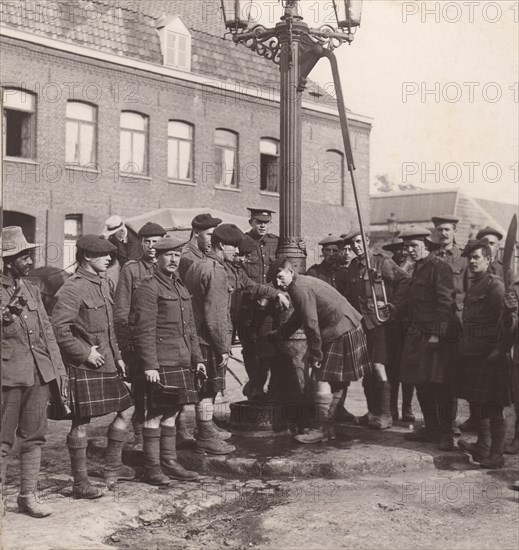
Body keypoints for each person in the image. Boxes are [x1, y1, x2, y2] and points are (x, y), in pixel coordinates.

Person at [185, 224, 289, 454]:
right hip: (209, 340)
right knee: (208, 391)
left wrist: (275, 293)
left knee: (205, 390)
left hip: (197, 338)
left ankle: (205, 431)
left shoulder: (199, 265)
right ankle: (205, 436)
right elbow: (216, 315)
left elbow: (249, 285)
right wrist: (222, 347)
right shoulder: (217, 272)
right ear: (222, 245)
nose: (238, 253)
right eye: (235, 248)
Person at [52, 235, 135, 499]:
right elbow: (57, 330)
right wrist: (85, 353)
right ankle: (80, 483)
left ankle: (112, 467)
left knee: (127, 409)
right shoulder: (72, 288)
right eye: (103, 254)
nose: (110, 258)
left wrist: (118, 356)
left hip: (107, 362)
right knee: (81, 422)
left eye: (110, 253)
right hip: (84, 365)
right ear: (87, 256)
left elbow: (109, 328)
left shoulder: (103, 282)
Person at [267, 256, 371, 444]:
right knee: (336, 381)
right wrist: (278, 334)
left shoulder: (299, 289)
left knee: (320, 377)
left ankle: (320, 429)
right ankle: (327, 428)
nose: (277, 281)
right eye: (273, 279)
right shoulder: (299, 285)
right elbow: (299, 317)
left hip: (341, 329)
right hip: (349, 326)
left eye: (280, 276)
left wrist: (316, 354)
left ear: (290, 271)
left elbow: (311, 323)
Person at [1, 227, 67, 518]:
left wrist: (58, 371)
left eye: (29, 255)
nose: (29, 262)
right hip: (7, 375)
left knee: (35, 437)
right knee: (2, 440)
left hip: (38, 374)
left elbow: (47, 332)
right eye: (23, 257)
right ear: (7, 259)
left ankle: (27, 496)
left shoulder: (30, 288)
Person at [132, 236, 203, 485]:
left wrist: (198, 358)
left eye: (177, 255)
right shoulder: (148, 287)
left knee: (172, 412)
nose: (174, 259)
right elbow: (144, 330)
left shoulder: (180, 287)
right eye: (168, 255)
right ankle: (152, 468)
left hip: (181, 359)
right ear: (157, 257)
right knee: (154, 414)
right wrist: (150, 365)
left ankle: (170, 462)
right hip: (161, 363)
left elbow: (191, 328)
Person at [399, 227, 458, 451]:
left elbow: (446, 303)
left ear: (426, 245)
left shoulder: (439, 267)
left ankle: (446, 434)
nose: (409, 250)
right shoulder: (418, 269)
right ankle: (431, 429)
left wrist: (437, 333)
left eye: (413, 246)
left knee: (441, 386)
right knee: (421, 384)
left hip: (436, 338)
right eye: (406, 247)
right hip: (417, 336)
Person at [343, 230, 409, 429]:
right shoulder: (353, 266)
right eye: (352, 243)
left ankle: (386, 415)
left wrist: (393, 305)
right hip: (362, 325)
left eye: (358, 242)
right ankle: (372, 413)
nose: (356, 246)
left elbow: (405, 280)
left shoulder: (382, 262)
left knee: (379, 368)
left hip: (380, 324)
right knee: (368, 371)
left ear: (367, 241)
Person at [456, 240, 511, 468]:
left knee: (493, 406)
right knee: (477, 402)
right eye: (470, 257)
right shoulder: (475, 283)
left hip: (491, 356)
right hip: (474, 353)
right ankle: (482, 448)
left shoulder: (494, 285)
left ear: (488, 260)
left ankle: (496, 455)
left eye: (477, 257)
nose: (472, 261)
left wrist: (500, 348)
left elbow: (508, 321)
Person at [113, 222, 167, 449]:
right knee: (138, 392)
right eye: (147, 242)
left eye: (156, 242)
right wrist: (125, 345)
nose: (152, 247)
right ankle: (139, 438)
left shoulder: (170, 267)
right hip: (137, 340)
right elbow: (121, 311)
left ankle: (163, 437)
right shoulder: (131, 269)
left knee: (163, 390)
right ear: (142, 244)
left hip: (163, 341)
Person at [307, 235, 355, 423]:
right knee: (321, 370)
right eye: (328, 251)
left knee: (342, 371)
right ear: (323, 252)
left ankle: (338, 408)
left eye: (336, 251)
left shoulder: (345, 273)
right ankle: (320, 410)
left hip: (342, 326)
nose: (332, 254)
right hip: (322, 326)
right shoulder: (314, 272)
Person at [237, 207, 281, 401]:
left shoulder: (275, 242)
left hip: (269, 308)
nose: (262, 225)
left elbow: (283, 266)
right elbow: (239, 273)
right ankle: (255, 384)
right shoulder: (242, 242)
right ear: (251, 222)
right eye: (258, 221)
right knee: (249, 349)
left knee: (266, 349)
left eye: (266, 222)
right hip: (248, 306)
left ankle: (257, 384)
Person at [382, 239, 416, 422]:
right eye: (398, 250)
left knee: (409, 366)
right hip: (393, 323)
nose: (402, 253)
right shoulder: (390, 268)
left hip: (409, 322)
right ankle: (392, 408)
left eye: (405, 249)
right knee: (393, 367)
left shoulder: (416, 267)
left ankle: (407, 408)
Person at [178, 213, 222, 283]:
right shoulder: (185, 257)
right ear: (196, 232)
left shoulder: (206, 253)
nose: (213, 240)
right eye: (210, 235)